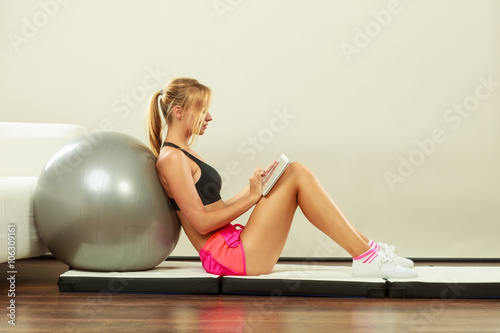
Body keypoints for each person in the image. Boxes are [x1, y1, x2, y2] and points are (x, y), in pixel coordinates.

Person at [146, 77, 417, 278]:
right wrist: (252, 199)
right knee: (296, 172)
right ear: (178, 112)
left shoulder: (184, 153)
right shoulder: (171, 159)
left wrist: (254, 189)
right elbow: (203, 224)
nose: (210, 117)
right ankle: (366, 256)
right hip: (229, 258)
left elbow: (214, 209)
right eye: (202, 110)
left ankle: (367, 249)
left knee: (292, 171)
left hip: (233, 246)